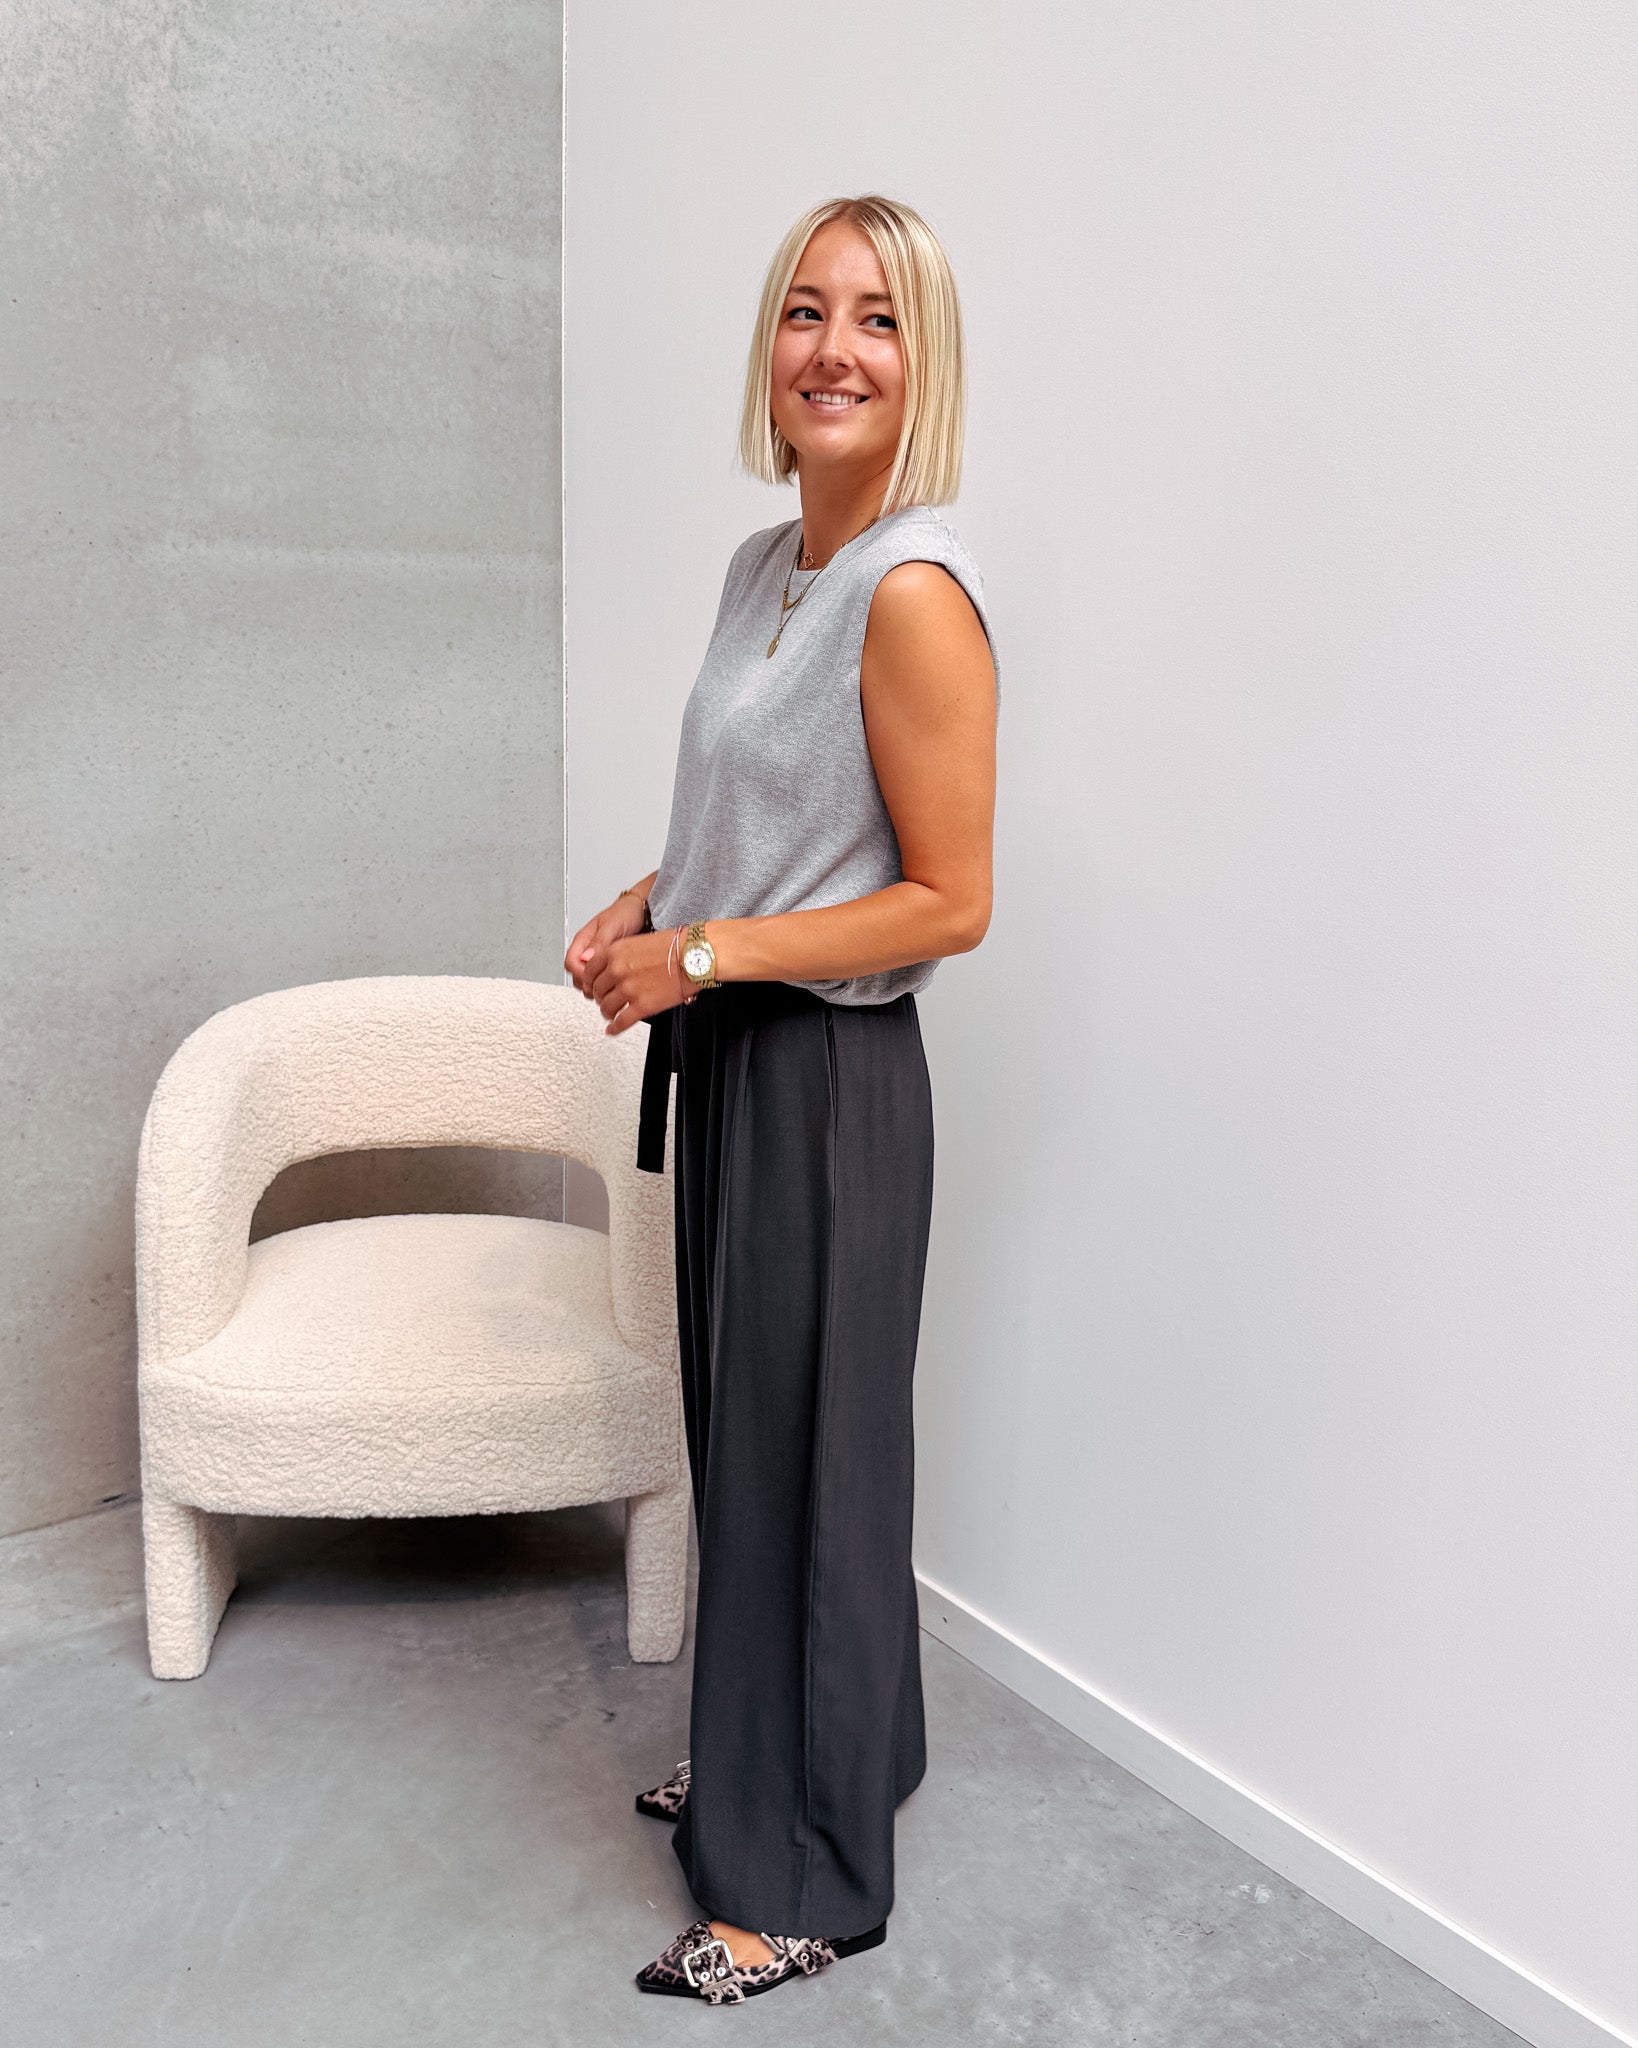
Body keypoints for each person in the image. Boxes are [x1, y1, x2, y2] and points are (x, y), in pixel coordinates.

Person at [564, 192, 998, 2007]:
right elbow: (763, 815)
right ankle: (806, 1759)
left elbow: (948, 902)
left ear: (921, 365)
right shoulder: (770, 567)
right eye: (806, 311)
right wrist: (650, 904)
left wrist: (708, 951)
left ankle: (803, 1880)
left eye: (878, 319)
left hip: (826, 1077)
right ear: (769, 350)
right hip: (738, 1053)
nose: (834, 348)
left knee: (813, 1467)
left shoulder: (912, 595)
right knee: (757, 1446)